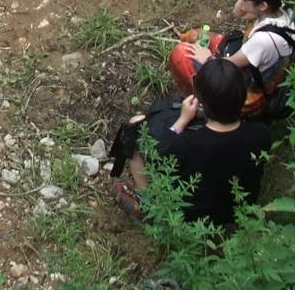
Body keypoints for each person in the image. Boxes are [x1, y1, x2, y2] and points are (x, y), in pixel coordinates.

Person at [117, 57, 275, 232]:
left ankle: (146, 201)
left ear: (201, 102)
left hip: (189, 216)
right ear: (244, 96)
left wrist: (182, 121)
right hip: (237, 210)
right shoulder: (262, 134)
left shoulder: (185, 144)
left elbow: (162, 149)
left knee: (135, 127)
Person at [168, 0, 295, 108]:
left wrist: (208, 59)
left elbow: (229, 65)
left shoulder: (264, 41)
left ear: (262, 5)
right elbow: (239, 13)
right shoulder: (281, 9)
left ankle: (203, 103)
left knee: (181, 53)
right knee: (194, 37)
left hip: (246, 92)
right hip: (248, 59)